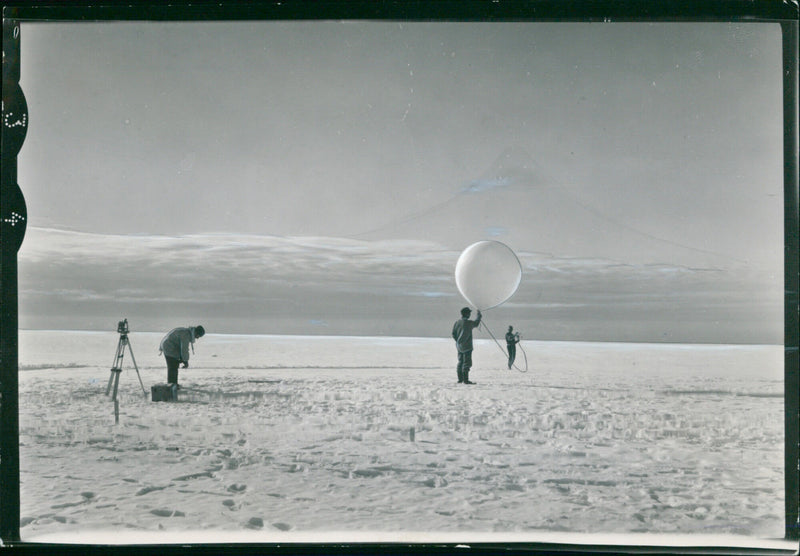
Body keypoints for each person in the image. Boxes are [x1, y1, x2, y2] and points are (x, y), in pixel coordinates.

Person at [452, 307, 481, 385]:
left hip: (459, 346)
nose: (470, 315)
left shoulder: (457, 322)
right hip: (467, 346)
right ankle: (465, 380)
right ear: (467, 314)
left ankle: (460, 379)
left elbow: (453, 334)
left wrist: (458, 341)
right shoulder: (468, 323)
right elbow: (476, 323)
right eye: (469, 313)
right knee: (467, 363)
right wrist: (479, 315)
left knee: (460, 362)